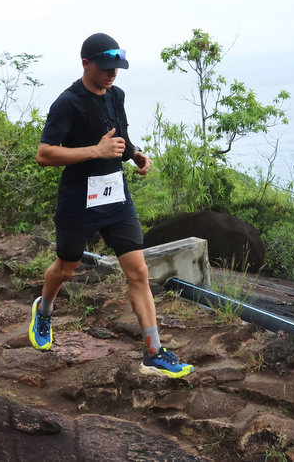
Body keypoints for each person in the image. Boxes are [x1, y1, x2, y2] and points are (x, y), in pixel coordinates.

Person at [29, 33, 194, 379]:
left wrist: (134, 154)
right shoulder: (67, 103)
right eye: (105, 67)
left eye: (116, 68)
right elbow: (44, 154)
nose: (112, 74)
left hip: (115, 197)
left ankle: (153, 352)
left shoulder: (116, 95)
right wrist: (96, 151)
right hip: (78, 200)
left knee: (138, 272)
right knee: (66, 269)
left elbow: (119, 136)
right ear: (85, 64)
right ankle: (44, 309)